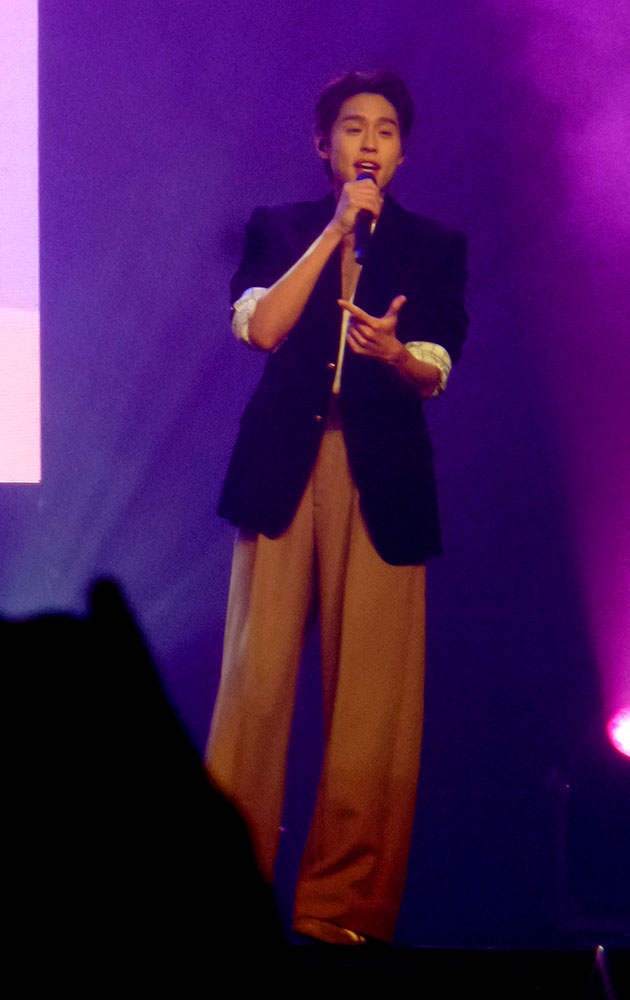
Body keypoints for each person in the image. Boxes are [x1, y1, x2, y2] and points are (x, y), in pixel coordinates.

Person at [206, 70, 468, 946]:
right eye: (353, 128)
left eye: (386, 130)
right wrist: (333, 233)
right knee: (254, 690)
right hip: (282, 468)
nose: (369, 143)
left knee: (370, 705)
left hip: (381, 476)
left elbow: (436, 367)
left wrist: (394, 354)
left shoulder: (435, 245)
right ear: (324, 145)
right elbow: (263, 328)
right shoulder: (279, 226)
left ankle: (341, 911)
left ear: (402, 151)